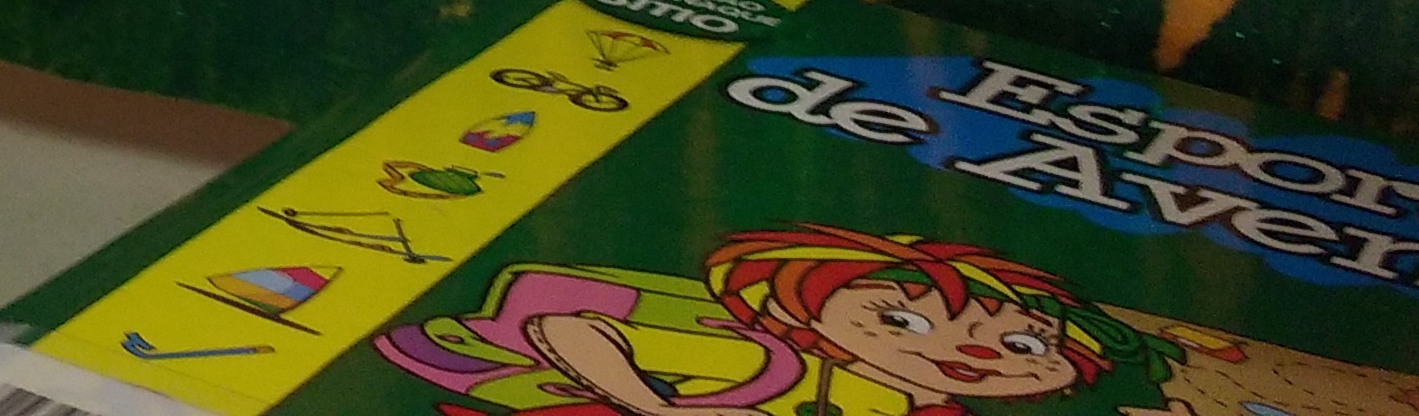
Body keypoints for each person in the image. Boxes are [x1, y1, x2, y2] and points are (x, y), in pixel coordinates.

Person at [373, 223, 1169, 415]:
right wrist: (655, 406)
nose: (979, 355)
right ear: (800, 308)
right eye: (905, 324)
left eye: (1026, 343)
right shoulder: (772, 362)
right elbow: (569, 327)